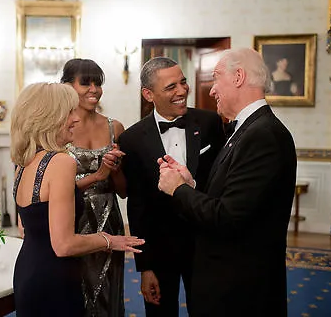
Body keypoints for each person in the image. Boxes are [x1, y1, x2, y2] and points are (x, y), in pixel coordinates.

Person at [157, 48, 297, 317]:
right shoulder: (247, 129)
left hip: (241, 290)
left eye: (217, 78)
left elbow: (227, 218)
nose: (211, 91)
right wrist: (192, 185)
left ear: (239, 77)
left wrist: (178, 189)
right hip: (228, 282)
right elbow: (233, 200)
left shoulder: (263, 135)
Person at [11, 82, 144, 317]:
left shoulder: (26, 160)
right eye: (69, 112)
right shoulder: (61, 162)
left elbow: (33, 216)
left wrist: (98, 176)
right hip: (54, 278)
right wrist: (108, 240)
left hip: (28, 270)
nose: (76, 119)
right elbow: (64, 245)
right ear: (50, 117)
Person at [118, 57, 226, 316]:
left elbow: (222, 184)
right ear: (148, 94)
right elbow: (138, 206)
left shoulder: (211, 123)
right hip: (159, 252)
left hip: (205, 248)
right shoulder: (131, 139)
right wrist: (145, 267)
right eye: (170, 87)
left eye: (183, 82)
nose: (182, 91)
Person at [60, 58, 127, 317]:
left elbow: (123, 190)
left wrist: (116, 170)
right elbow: (50, 187)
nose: (94, 89)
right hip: (70, 219)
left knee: (107, 293)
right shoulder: (57, 129)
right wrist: (98, 173)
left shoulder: (115, 127)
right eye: (85, 82)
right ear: (67, 86)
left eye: (98, 83)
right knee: (72, 291)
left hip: (108, 220)